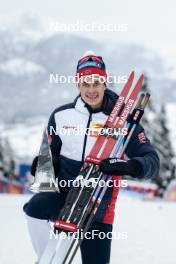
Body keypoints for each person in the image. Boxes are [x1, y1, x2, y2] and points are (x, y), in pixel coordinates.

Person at [23, 52, 160, 264]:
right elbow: (51, 154)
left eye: (96, 82)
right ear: (78, 85)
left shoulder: (123, 121)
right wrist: (43, 165)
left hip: (99, 204)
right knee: (34, 210)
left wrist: (130, 165)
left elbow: (151, 161)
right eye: (85, 83)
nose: (91, 89)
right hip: (64, 194)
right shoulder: (61, 116)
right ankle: (48, 260)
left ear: (104, 83)